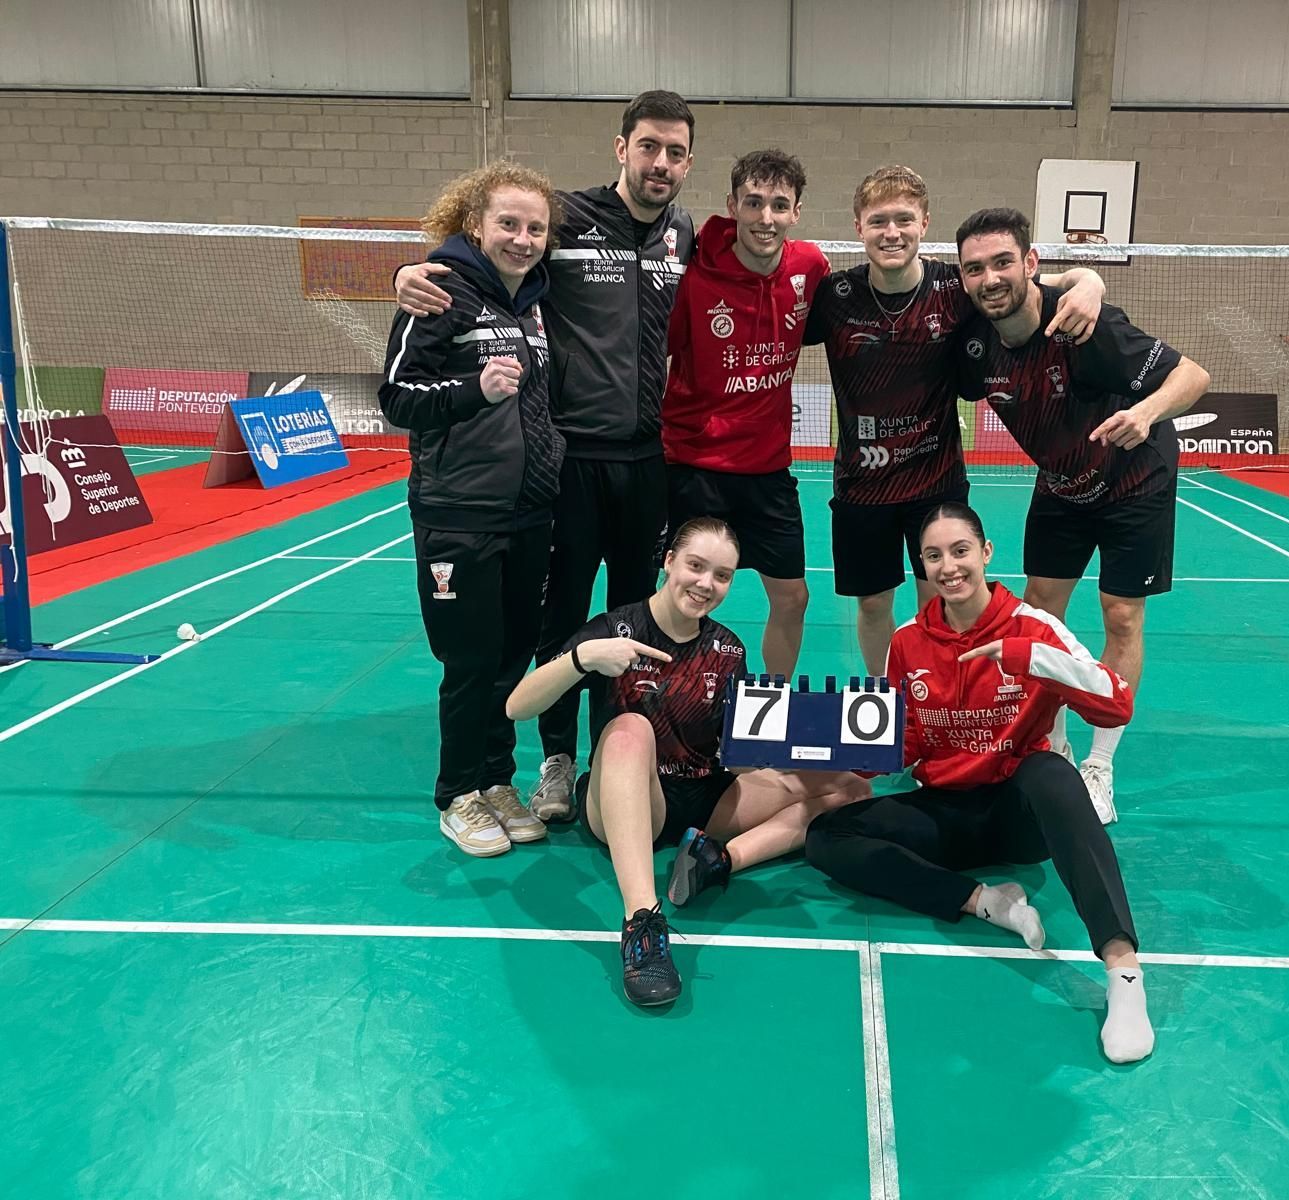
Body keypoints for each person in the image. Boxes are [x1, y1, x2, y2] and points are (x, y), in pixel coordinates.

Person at [395, 91, 699, 827]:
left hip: (646, 460)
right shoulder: (565, 219)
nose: (660, 163)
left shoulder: (684, 233)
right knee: (560, 622)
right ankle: (556, 760)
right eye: (648, 146)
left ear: (688, 163)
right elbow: (484, 257)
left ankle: (619, 754)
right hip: (569, 463)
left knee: (637, 620)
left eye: (675, 152)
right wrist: (412, 272)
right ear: (621, 148)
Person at [805, 503, 1154, 1063]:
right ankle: (984, 902)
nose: (949, 567)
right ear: (922, 565)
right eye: (933, 556)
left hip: (1020, 814)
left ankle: (1124, 973)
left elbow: (1117, 703)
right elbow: (906, 743)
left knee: (1055, 775)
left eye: (960, 550)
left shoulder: (1034, 629)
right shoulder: (908, 641)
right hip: (947, 811)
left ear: (986, 553)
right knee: (827, 836)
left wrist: (1029, 658)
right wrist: (828, 752)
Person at [506, 517, 869, 1006]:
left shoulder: (728, 649)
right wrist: (582, 658)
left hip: (705, 799)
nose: (706, 584)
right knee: (630, 729)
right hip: (629, 800)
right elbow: (517, 706)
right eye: (696, 566)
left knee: (852, 788)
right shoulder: (614, 631)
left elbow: (737, 755)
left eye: (722, 575)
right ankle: (642, 922)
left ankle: (716, 861)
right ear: (669, 561)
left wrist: (777, 754)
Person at [952, 208, 1211, 823]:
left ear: (1031, 264)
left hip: (1135, 480)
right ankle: (1055, 746)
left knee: (1121, 615)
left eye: (1003, 262)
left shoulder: (1084, 326)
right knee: (1039, 612)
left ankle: (1100, 763)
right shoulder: (974, 340)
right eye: (975, 268)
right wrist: (1086, 273)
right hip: (1063, 483)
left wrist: (1145, 413)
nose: (990, 278)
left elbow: (1193, 376)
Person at [803, 165, 1109, 674]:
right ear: (858, 227)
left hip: (935, 482)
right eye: (878, 221)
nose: (892, 232)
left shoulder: (955, 288)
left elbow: (1040, 282)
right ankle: (886, 697)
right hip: (860, 487)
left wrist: (1091, 280)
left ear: (925, 223)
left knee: (939, 601)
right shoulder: (835, 297)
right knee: (873, 604)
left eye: (904, 219)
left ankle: (938, 698)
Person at [378, 160, 566, 857]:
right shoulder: (440, 292)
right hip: (458, 512)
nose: (522, 239)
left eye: (535, 228)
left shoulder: (536, 299)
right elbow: (396, 398)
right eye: (508, 223)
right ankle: (457, 793)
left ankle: (495, 779)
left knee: (512, 657)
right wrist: (472, 391)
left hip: (529, 512)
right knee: (469, 661)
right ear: (475, 225)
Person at [660, 148, 829, 680]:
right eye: (753, 203)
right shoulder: (694, 278)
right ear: (732, 206)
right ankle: (672, 697)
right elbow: (652, 351)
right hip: (693, 465)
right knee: (682, 595)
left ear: (796, 211)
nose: (765, 217)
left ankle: (774, 697)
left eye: (779, 205)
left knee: (793, 598)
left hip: (767, 470)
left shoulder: (810, 267)